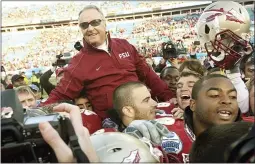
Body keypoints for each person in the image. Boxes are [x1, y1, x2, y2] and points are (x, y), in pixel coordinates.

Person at [42, 5, 174, 119]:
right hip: (114, 122)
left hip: (146, 111)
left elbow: (148, 75)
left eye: (95, 22)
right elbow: (60, 93)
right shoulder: (78, 63)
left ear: (105, 24)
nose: (90, 28)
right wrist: (39, 111)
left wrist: (169, 97)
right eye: (84, 25)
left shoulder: (124, 45)